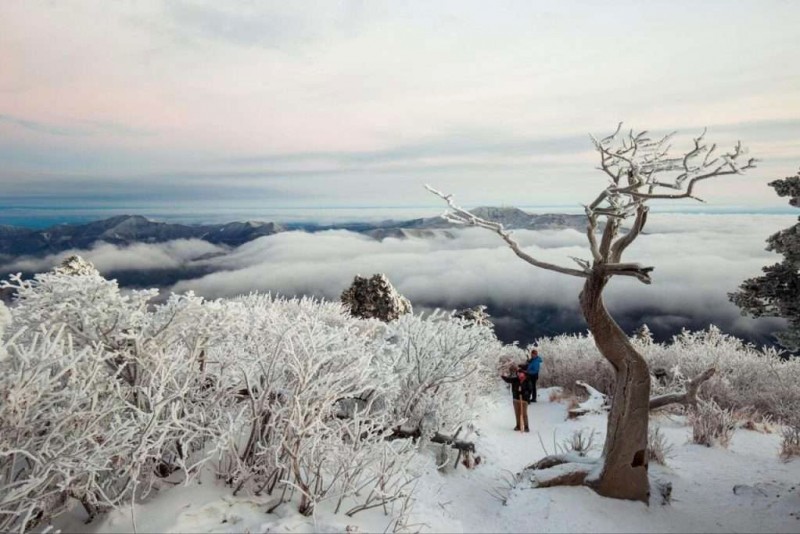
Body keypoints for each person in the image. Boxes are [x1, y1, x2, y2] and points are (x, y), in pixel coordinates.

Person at [501, 364, 532, 432]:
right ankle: (518, 426)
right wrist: (502, 376)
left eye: (521, 374)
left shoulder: (527, 380)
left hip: (524, 400)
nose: (519, 375)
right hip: (516, 399)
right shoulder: (515, 380)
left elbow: (530, 390)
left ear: (524, 374)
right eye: (518, 374)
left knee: (524, 414)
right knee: (517, 413)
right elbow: (508, 380)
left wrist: (525, 393)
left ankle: (526, 427)